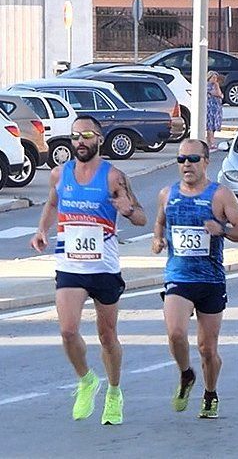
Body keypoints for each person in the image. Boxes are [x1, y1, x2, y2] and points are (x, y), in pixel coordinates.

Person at [29, 115, 147, 424]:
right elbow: (53, 204)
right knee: (68, 331)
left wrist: (129, 210)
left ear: (99, 140)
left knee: (107, 337)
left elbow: (141, 219)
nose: (80, 141)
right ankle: (86, 380)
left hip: (104, 268)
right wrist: (42, 230)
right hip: (70, 265)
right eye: (76, 136)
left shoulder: (114, 177)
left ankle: (114, 391)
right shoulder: (60, 174)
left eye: (87, 136)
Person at [151, 139, 238, 419]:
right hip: (178, 276)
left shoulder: (220, 195)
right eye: (181, 159)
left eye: (193, 159)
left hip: (210, 280)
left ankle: (210, 393)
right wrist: (158, 238)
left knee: (207, 349)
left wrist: (221, 229)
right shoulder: (167, 194)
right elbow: (160, 220)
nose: (186, 164)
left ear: (206, 161)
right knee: (175, 333)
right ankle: (186, 374)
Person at [206, 71, 224, 150]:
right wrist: (217, 87)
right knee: (210, 126)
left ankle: (211, 142)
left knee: (213, 127)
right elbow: (218, 94)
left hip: (216, 108)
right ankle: (210, 143)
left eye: (216, 78)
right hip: (210, 108)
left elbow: (222, 96)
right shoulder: (208, 86)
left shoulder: (215, 85)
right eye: (213, 77)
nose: (215, 79)